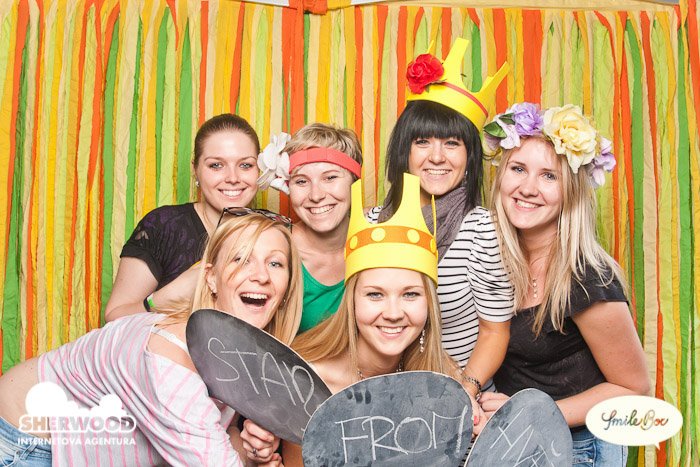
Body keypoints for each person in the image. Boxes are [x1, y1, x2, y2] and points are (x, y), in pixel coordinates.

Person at [0, 213, 302, 466]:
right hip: (27, 440)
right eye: (242, 259)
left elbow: (220, 432)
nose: (261, 275)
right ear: (210, 277)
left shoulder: (230, 346)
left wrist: (251, 451)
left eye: (275, 263)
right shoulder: (170, 362)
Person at [240, 174, 479, 465]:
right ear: (351, 301)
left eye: (410, 294)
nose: (393, 313)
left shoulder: (443, 374)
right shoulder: (308, 383)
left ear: (429, 303)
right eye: (375, 295)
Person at [478, 102, 649, 465]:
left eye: (549, 176)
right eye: (518, 169)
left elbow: (633, 390)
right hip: (517, 444)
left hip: (580, 449)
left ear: (571, 190)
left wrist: (530, 414)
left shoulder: (587, 278)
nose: (528, 188)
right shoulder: (491, 258)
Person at [366, 38, 513, 400]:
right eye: (422, 142)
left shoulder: (482, 230)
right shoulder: (370, 223)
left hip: (460, 395)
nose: (436, 157)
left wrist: (465, 391)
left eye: (451, 143)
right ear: (404, 150)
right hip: (386, 393)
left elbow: (495, 331)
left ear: (469, 157)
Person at [104, 114, 261, 322]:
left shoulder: (272, 233)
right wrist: (168, 296)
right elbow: (115, 317)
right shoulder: (164, 226)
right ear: (196, 170)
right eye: (216, 165)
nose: (233, 178)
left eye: (245, 165)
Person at [257, 124, 363, 332]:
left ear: (354, 181)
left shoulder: (378, 242)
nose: (316, 195)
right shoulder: (274, 250)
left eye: (330, 178)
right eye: (301, 181)